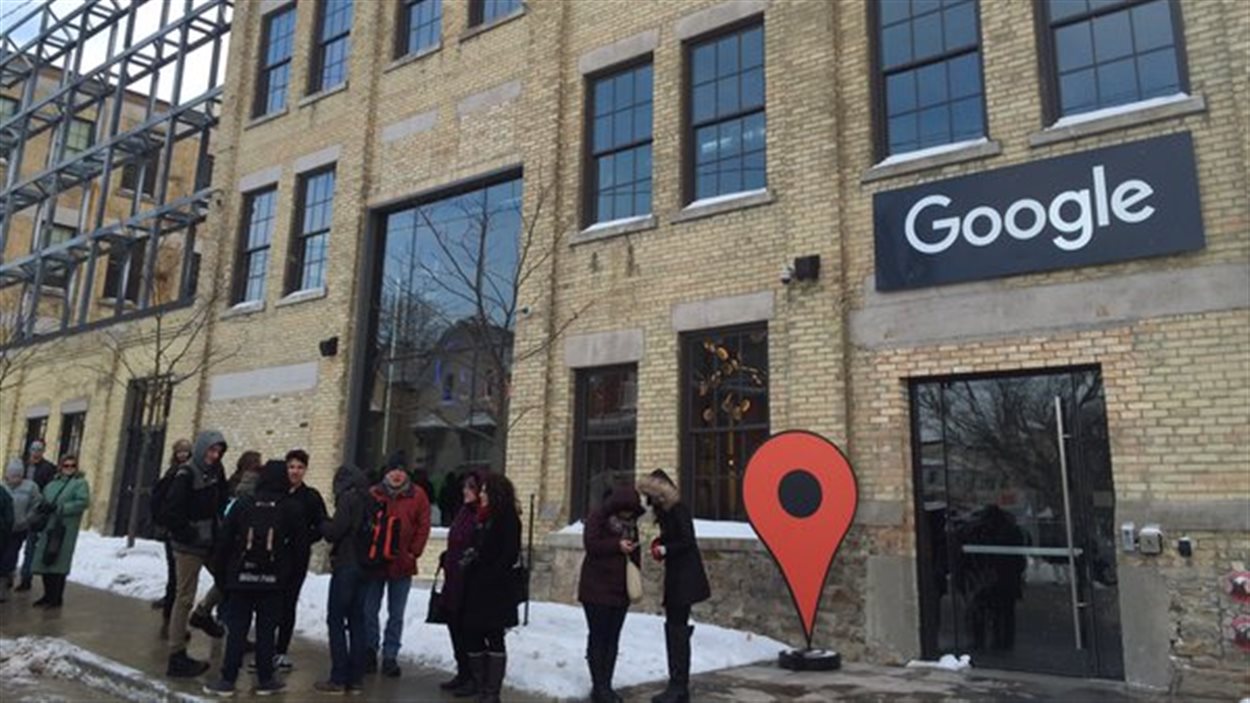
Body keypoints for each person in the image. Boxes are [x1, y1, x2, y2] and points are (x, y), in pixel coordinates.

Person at [202, 461, 301, 697]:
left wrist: (223, 577)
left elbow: (224, 542)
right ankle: (265, 679)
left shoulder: (243, 504)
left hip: (241, 578)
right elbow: (300, 549)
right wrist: (290, 578)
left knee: (237, 630)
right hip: (274, 581)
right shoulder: (291, 507)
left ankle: (228, 678)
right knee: (267, 631)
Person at [637, 469, 710, 703]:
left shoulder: (677, 509)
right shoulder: (667, 512)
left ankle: (679, 686)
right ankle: (676, 683)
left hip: (685, 578)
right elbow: (675, 537)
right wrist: (661, 543)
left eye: (651, 495)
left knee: (677, 629)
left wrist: (666, 548)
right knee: (674, 627)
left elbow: (687, 539)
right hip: (677, 577)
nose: (649, 502)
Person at [162, 430, 230, 678]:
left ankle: (203, 614)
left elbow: (222, 500)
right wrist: (189, 533)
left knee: (226, 578)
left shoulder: (216, 472)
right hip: (188, 546)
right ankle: (176, 654)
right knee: (184, 597)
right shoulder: (186, 474)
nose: (214, 455)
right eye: (211, 451)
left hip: (211, 541)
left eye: (218, 451)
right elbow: (171, 512)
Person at [362, 460, 432, 678]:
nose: (397, 475)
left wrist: (414, 552)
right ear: (386, 473)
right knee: (369, 610)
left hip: (402, 562)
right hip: (376, 563)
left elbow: (423, 525)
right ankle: (369, 650)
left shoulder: (417, 495)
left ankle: (390, 655)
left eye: (401, 470)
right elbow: (364, 521)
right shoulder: (374, 493)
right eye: (393, 470)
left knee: (397, 613)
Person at [460, 472, 522, 703]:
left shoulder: (507, 518)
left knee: (494, 635)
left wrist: (490, 571)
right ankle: (480, 684)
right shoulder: (481, 517)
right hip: (476, 586)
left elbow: (508, 553)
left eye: (485, 491)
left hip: (496, 589)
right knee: (473, 634)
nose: (481, 494)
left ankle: (491, 692)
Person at [579, 484, 643, 703]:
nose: (628, 515)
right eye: (625, 510)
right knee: (599, 636)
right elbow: (591, 544)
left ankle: (606, 683)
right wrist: (617, 545)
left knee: (613, 638)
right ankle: (599, 686)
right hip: (596, 588)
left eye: (632, 511)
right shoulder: (598, 516)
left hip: (620, 590)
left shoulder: (632, 523)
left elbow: (636, 552)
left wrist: (635, 571)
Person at [314, 464, 372, 695]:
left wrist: (322, 522)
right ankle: (356, 679)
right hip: (367, 566)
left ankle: (338, 678)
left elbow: (335, 531)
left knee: (336, 620)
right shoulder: (371, 499)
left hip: (347, 564)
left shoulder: (348, 499)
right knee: (358, 621)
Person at [274, 448, 326, 670]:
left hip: (296, 558)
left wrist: (303, 539)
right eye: (291, 467)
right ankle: (264, 649)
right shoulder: (276, 492)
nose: (295, 471)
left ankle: (281, 650)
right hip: (273, 557)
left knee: (288, 603)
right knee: (269, 603)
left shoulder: (311, 497)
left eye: (300, 467)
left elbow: (322, 524)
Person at [438, 471, 481, 697]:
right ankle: (462, 671)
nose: (466, 491)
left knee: (467, 630)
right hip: (453, 578)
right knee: (454, 625)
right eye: (465, 487)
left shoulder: (480, 515)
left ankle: (473, 676)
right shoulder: (463, 512)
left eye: (471, 487)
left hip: (468, 582)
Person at [31, 454, 91, 608]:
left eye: (72, 466)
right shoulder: (52, 484)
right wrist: (42, 507)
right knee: (45, 561)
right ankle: (47, 595)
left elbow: (82, 502)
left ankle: (56, 598)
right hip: (48, 526)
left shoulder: (80, 483)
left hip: (65, 529)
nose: (69, 469)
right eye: (66, 465)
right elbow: (43, 498)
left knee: (59, 562)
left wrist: (61, 508)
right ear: (61, 467)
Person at [152, 438, 192, 631]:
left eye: (186, 451)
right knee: (175, 574)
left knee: (179, 575)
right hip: (174, 530)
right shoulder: (173, 473)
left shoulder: (191, 472)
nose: (183, 455)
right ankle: (171, 614)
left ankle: (172, 613)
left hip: (183, 529)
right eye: (180, 452)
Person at [16, 439, 55, 592]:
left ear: (43, 450)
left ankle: (26, 579)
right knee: (12, 546)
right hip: (18, 511)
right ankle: (7, 575)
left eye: (39, 449)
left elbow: (49, 490)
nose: (36, 452)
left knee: (30, 547)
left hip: (35, 513)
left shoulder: (48, 468)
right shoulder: (21, 466)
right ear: (29, 450)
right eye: (34, 448)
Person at [2, 458, 43, 598]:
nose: (16, 479)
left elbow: (37, 505)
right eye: (13, 475)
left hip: (19, 529)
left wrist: (28, 519)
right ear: (7, 475)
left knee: (10, 557)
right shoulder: (2, 487)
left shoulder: (30, 487)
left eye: (19, 475)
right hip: (3, 530)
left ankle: (4, 586)